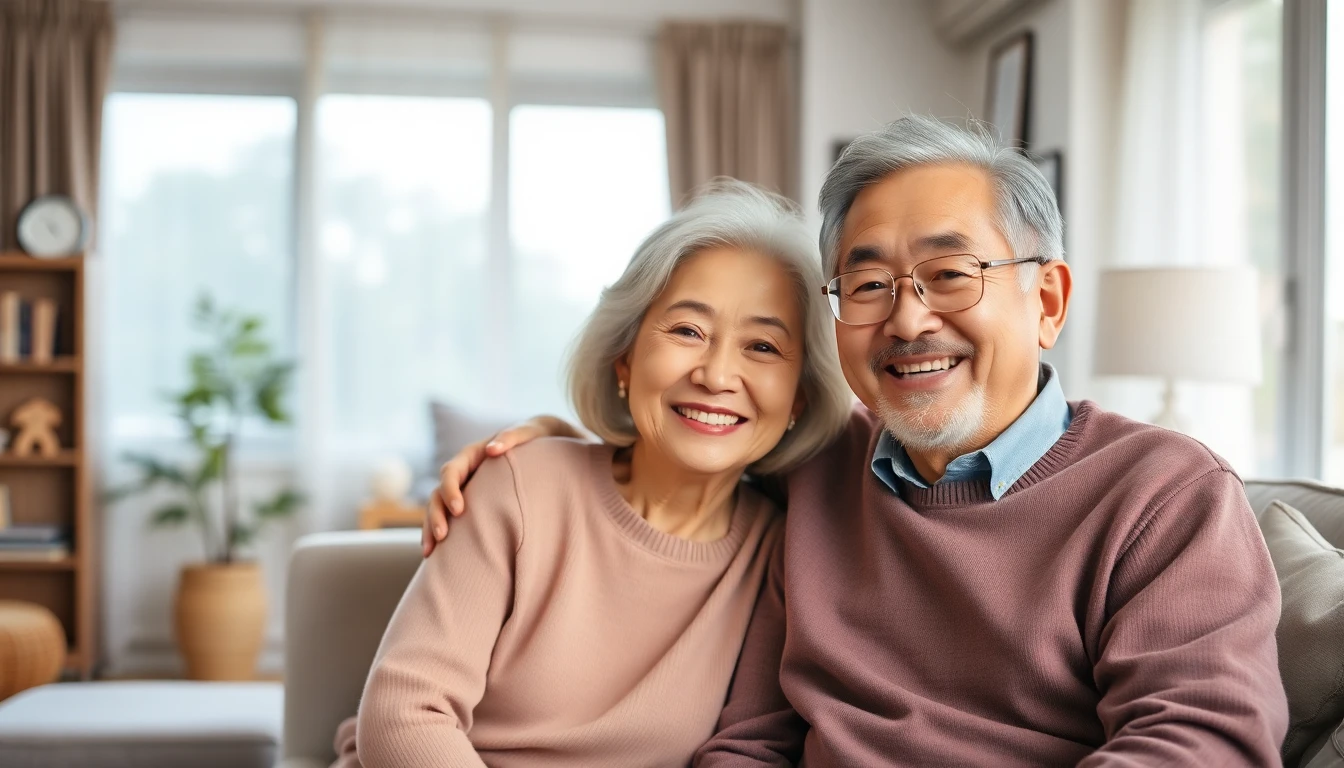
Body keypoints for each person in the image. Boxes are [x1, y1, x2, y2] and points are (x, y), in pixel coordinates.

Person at [424, 116, 1289, 766]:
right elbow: (754, 735)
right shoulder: (818, 468)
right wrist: (543, 446)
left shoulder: (1166, 495)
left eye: (951, 275)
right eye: (868, 283)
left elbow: (1197, 746)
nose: (909, 318)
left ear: (1048, 302)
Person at [333, 180, 853, 768]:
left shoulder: (779, 557)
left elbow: (744, 749)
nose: (715, 374)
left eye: (761, 346)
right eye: (687, 331)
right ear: (625, 358)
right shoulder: (521, 487)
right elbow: (407, 711)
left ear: (799, 399)